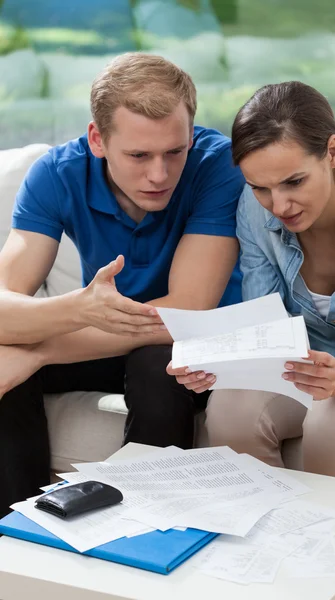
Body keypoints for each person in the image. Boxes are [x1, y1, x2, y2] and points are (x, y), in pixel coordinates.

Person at [0, 53, 244, 518]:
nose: (159, 174)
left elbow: (186, 310)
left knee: (160, 362)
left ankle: (144, 533)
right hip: (103, 339)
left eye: (175, 151)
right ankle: (16, 536)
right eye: (138, 155)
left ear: (190, 134)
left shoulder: (217, 167)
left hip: (190, 344)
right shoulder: (56, 174)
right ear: (98, 139)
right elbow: (4, 307)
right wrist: (76, 309)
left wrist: (40, 349)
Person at [168, 81, 335, 484]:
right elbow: (268, 334)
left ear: (331, 152)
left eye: (294, 182)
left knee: (334, 422)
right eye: (260, 187)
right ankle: (272, 539)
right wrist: (218, 368)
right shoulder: (254, 211)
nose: (278, 207)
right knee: (229, 411)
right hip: (312, 369)